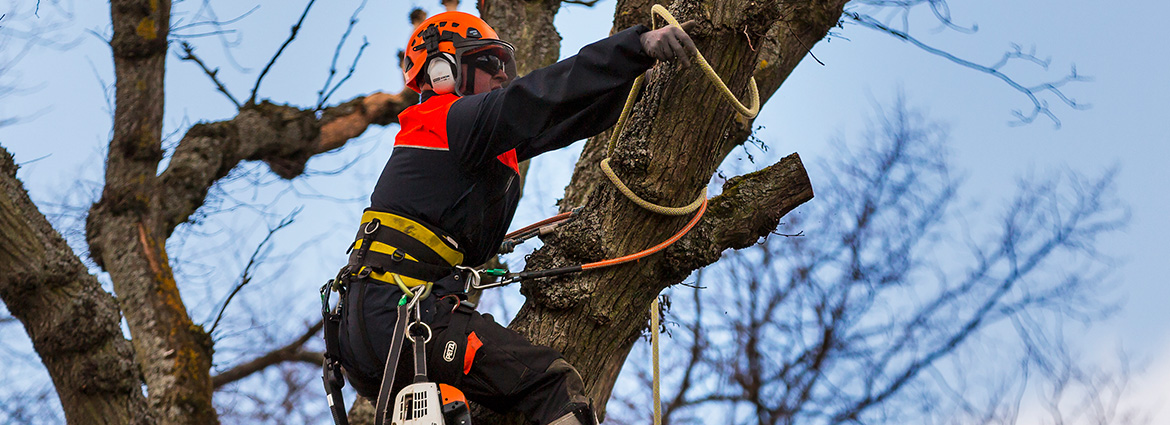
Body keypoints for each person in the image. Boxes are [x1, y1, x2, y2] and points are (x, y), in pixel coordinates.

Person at [336, 11, 695, 425]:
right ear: (443, 73)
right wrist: (636, 46)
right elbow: (539, 96)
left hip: (374, 328)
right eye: (489, 65)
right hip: (399, 315)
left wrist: (633, 83)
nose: (502, 75)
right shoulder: (445, 120)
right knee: (549, 386)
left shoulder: (464, 139)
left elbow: (561, 116)